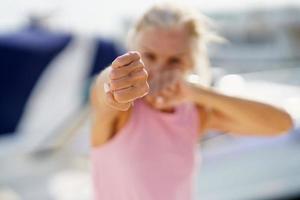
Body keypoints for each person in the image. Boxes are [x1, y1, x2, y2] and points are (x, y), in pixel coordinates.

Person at [89, 3, 293, 200]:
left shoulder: (195, 113)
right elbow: (103, 90)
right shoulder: (123, 113)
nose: (160, 70)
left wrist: (199, 93)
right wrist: (116, 82)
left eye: (175, 60)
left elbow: (282, 124)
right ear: (133, 50)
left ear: (192, 62)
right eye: (149, 56)